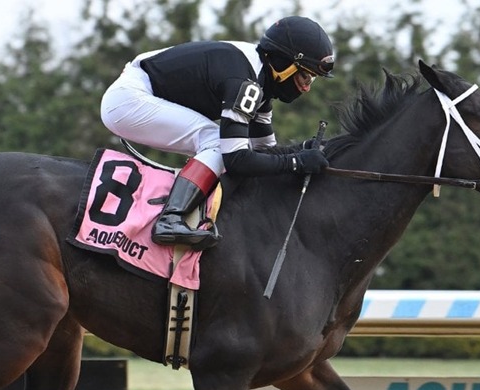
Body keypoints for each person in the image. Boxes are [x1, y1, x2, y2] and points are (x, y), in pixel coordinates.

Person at [100, 15, 335, 249]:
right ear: (285, 62)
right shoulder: (245, 82)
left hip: (135, 92)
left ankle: (173, 215)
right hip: (128, 98)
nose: (306, 87)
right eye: (305, 75)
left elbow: (265, 152)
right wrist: (297, 162)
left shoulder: (260, 82)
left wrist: (300, 150)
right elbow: (237, 160)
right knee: (215, 140)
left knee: (220, 141)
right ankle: (170, 219)